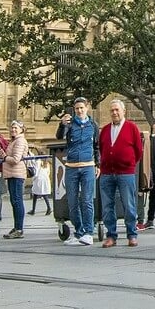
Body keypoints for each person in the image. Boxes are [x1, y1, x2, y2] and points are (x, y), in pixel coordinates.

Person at [98, 99, 143, 247]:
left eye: (117, 110)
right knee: (107, 206)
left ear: (124, 111)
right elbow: (101, 148)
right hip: (107, 173)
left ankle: (132, 234)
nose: (114, 113)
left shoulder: (132, 128)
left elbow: (138, 150)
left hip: (125, 173)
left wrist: (128, 163)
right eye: (112, 110)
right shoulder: (105, 130)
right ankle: (111, 235)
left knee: (129, 205)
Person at [57, 97, 99, 246]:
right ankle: (79, 232)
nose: (79, 111)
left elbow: (97, 146)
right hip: (71, 166)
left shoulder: (93, 125)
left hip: (88, 166)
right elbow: (59, 136)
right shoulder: (70, 124)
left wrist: (98, 164)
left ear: (87, 108)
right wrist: (62, 124)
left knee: (87, 200)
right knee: (72, 202)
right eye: (77, 108)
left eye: (82, 108)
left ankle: (88, 233)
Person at [2, 121, 30, 238]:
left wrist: (4, 157)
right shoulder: (15, 141)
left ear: (21, 129)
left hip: (17, 174)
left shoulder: (20, 141)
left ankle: (19, 229)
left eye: (15, 128)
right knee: (14, 201)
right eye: (12, 127)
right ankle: (16, 227)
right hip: (12, 174)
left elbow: (16, 159)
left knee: (17, 201)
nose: (13, 129)